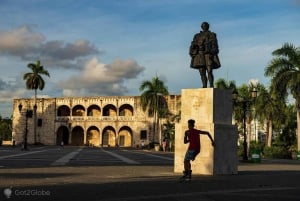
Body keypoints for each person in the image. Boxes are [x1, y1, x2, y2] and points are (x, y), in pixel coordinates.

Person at [189, 22, 221, 88]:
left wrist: (210, 51)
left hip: (208, 55)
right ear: (201, 27)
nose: (204, 26)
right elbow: (193, 45)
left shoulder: (212, 35)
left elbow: (215, 46)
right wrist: (195, 47)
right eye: (203, 25)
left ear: (208, 26)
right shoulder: (197, 36)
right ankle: (204, 86)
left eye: (205, 25)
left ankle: (211, 85)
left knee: (209, 70)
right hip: (200, 55)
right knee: (202, 71)